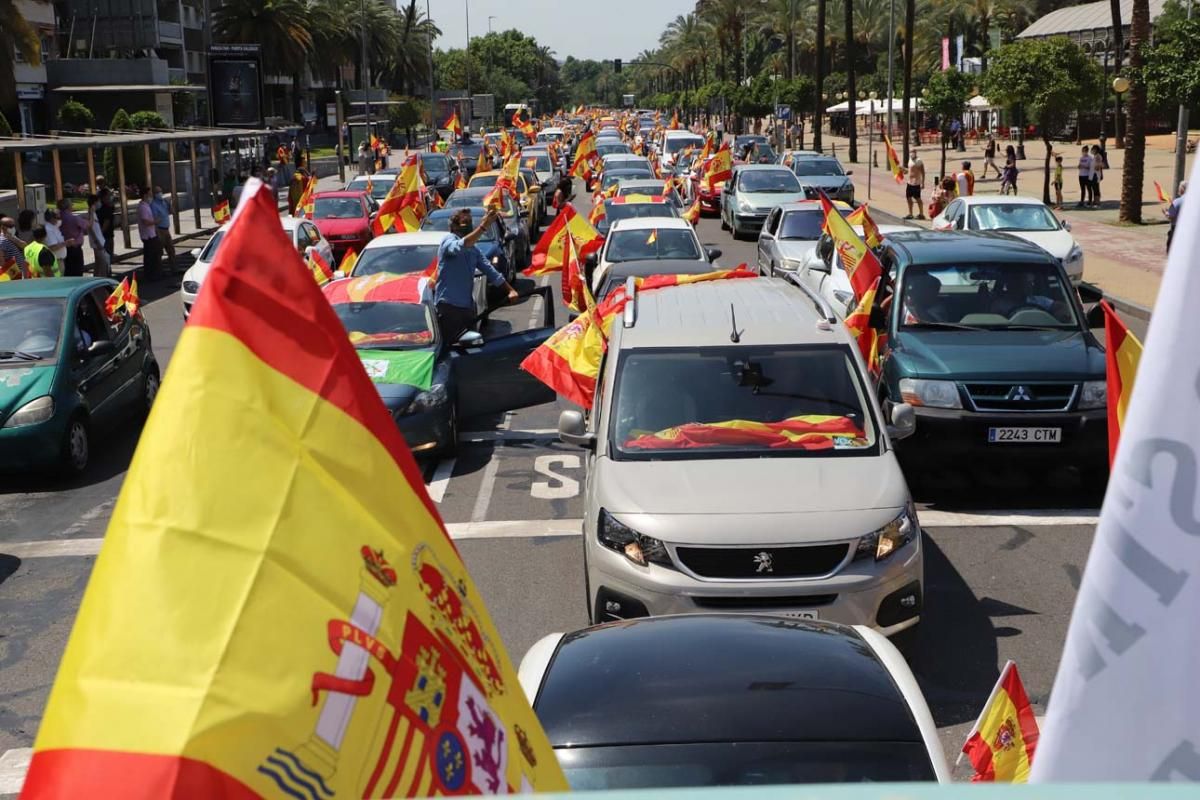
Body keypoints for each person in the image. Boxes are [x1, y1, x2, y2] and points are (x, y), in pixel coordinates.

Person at [435, 208, 517, 344]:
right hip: (449, 307)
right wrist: (483, 226)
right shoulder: (448, 241)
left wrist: (510, 290)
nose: (469, 226)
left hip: (467, 308)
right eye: (465, 222)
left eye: (470, 222)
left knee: (471, 346)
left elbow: (490, 271)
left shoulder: (474, 250)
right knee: (449, 348)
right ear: (453, 226)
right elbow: (461, 245)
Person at [57, 198, 87, 277]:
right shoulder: (73, 218)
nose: (72, 205)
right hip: (75, 248)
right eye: (71, 204)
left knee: (68, 271)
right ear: (68, 206)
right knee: (77, 271)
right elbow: (87, 225)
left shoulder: (58, 218)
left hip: (63, 248)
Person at [137, 186, 161, 278]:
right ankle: (150, 275)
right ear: (145, 195)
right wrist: (155, 221)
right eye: (149, 194)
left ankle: (154, 274)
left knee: (154, 255)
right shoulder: (142, 207)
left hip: (152, 234)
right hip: (148, 236)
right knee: (150, 257)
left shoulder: (147, 206)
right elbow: (145, 221)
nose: (151, 196)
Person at [84, 193, 110, 278]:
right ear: (94, 202)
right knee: (102, 265)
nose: (100, 203)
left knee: (99, 264)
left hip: (99, 241)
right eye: (98, 201)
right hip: (97, 243)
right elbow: (90, 229)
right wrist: (97, 241)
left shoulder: (93, 213)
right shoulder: (90, 213)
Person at [150, 186, 175, 268]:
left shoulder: (164, 202)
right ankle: (160, 270)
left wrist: (170, 203)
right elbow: (155, 220)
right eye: (158, 192)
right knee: (159, 252)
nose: (160, 194)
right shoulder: (153, 205)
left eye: (161, 191)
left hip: (166, 229)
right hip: (160, 230)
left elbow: (171, 212)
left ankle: (173, 268)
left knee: (171, 250)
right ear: (154, 194)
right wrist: (157, 233)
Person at [96, 189, 115, 266]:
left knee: (106, 257)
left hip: (107, 234)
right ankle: (107, 273)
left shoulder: (104, 207)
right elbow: (106, 222)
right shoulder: (105, 208)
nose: (110, 197)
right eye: (108, 195)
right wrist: (101, 233)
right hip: (106, 235)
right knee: (107, 257)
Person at [1166, 180, 1186, 251]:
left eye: (1179, 188)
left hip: (1176, 229)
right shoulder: (1194, 201)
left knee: (1171, 250)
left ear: (1182, 189)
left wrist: (1166, 213)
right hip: (1189, 230)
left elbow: (1171, 216)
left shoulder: (1177, 201)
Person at [904, 155, 925, 220]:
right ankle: (910, 214)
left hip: (916, 183)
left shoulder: (919, 161)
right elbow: (908, 171)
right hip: (909, 182)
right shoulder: (910, 160)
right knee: (908, 198)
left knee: (918, 198)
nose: (912, 154)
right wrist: (903, 170)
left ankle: (921, 214)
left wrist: (922, 183)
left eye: (913, 152)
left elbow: (923, 172)